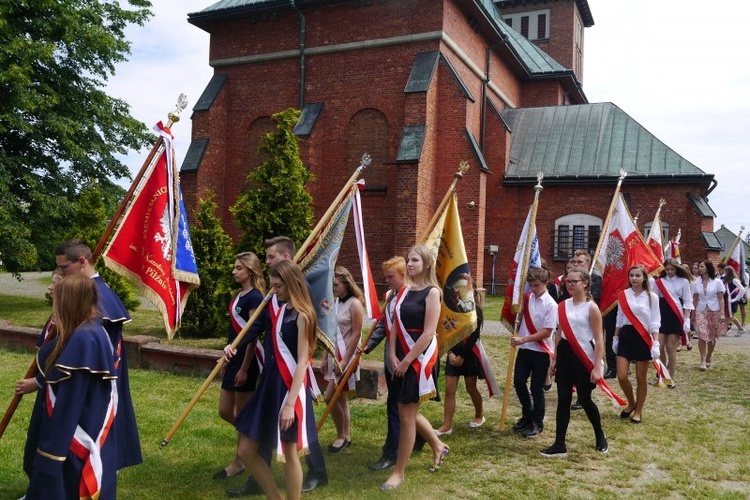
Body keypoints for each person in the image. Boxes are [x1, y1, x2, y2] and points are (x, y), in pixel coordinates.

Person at [226, 236, 328, 497]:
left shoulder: (303, 316)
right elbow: (255, 329)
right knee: (246, 450)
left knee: (290, 452)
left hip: (290, 387)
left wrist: (290, 403)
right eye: (271, 285)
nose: (272, 290)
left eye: (277, 286)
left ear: (291, 284)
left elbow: (303, 361)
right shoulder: (278, 308)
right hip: (269, 382)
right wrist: (233, 347)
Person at [26, 274, 118, 499]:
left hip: (72, 443)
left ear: (67, 303)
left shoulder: (83, 339)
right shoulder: (90, 331)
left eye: (56, 300)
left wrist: (51, 455)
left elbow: (69, 403)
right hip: (80, 433)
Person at [54, 238, 141, 469]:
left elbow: (89, 348)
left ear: (81, 261)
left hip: (89, 382)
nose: (60, 274)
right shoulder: (86, 291)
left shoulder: (99, 297)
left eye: (63, 268)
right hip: (83, 376)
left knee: (83, 441)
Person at [380, 245, 449, 491]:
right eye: (408, 260)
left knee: (406, 415)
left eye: (415, 260)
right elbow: (395, 326)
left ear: (427, 264)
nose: (410, 264)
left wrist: (408, 359)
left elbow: (429, 332)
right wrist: (391, 354)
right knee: (405, 411)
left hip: (419, 360)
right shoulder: (403, 291)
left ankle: (398, 472)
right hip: (399, 356)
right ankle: (438, 446)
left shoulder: (432, 292)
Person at [540, 267, 607, 457]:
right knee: (563, 400)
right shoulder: (563, 305)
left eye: (574, 281)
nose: (569, 284)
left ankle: (599, 435)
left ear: (585, 283)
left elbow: (599, 338)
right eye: (567, 281)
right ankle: (559, 444)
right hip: (566, 355)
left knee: (585, 400)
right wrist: (554, 358)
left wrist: (596, 366)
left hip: (584, 356)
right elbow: (560, 332)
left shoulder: (591, 307)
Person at [214, 252, 266, 480]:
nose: (234, 271)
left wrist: (245, 368)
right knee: (225, 410)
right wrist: (226, 359)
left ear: (251, 271)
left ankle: (239, 461)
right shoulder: (238, 295)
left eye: (238, 268)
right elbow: (233, 332)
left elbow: (252, 335)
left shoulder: (255, 297)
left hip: (248, 359)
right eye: (234, 268)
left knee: (243, 412)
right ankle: (254, 436)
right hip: (233, 357)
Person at [15, 273, 62, 484]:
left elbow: (65, 362)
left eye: (55, 282)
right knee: (33, 441)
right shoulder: (53, 318)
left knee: (47, 442)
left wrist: (38, 382)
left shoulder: (69, 324)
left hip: (56, 393)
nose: (50, 288)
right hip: (45, 393)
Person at [509, 268, 557, 438]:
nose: (534, 288)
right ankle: (527, 414)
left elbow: (547, 332)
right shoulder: (526, 299)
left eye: (537, 285)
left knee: (536, 388)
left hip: (540, 351)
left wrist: (524, 339)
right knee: (519, 382)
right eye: (531, 285)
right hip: (525, 350)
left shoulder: (551, 305)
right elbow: (519, 319)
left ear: (546, 283)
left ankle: (537, 422)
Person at [322, 266, 364, 453]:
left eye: (336, 285)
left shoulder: (355, 304)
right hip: (334, 355)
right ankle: (346, 436)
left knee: (329, 396)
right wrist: (324, 357)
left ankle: (340, 435)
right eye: (332, 285)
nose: (334, 288)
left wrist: (345, 360)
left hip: (347, 356)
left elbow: (356, 334)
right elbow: (330, 332)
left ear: (346, 284)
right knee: (341, 398)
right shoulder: (336, 303)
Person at [613, 265, 661, 424]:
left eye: (637, 276)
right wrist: (615, 337)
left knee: (641, 378)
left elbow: (655, 321)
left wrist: (655, 343)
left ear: (644, 278)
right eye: (631, 275)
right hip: (626, 335)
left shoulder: (651, 297)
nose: (634, 278)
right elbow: (619, 318)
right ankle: (631, 402)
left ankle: (638, 410)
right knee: (621, 375)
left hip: (643, 337)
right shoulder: (623, 295)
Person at [434, 304, 486, 436]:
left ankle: (479, 415)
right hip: (453, 354)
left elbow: (474, 335)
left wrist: (462, 357)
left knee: (471, 387)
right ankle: (447, 425)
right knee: (449, 389)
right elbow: (445, 332)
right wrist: (450, 353)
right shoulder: (450, 308)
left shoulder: (476, 310)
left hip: (469, 355)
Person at [651, 259, 694, 387]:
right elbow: (654, 299)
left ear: (676, 269)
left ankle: (671, 377)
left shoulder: (684, 282)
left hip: (676, 315)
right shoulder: (659, 282)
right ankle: (662, 374)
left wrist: (687, 319)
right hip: (662, 314)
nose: (670, 271)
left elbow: (687, 301)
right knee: (660, 347)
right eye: (667, 269)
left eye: (672, 269)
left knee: (671, 348)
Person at [692, 261, 726, 371]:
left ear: (708, 268)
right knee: (702, 335)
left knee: (711, 337)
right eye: (698, 267)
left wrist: (722, 313)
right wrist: (693, 313)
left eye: (702, 266)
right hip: (701, 310)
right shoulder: (696, 282)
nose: (699, 268)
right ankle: (702, 359)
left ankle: (709, 356)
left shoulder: (717, 282)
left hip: (714, 310)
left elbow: (721, 298)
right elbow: (695, 298)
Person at [723, 266, 745, 333]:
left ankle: (741, 329)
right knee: (727, 316)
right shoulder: (727, 280)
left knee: (731, 316)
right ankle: (724, 330)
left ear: (728, 272)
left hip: (732, 300)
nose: (724, 273)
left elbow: (742, 289)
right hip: (727, 300)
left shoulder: (734, 280)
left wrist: (736, 298)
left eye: (725, 271)